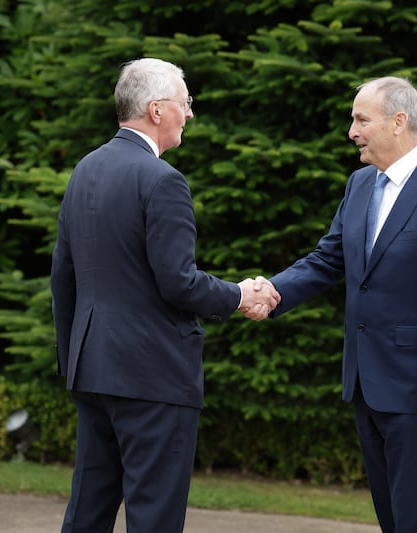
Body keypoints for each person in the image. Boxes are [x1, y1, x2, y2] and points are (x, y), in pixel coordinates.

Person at [50, 57, 279, 533]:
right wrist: (240, 294)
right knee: (154, 516)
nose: (189, 113)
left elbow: (63, 278)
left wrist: (72, 359)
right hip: (152, 376)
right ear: (157, 110)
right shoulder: (163, 180)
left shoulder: (85, 170)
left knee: (87, 512)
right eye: (185, 102)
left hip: (92, 370)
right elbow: (178, 282)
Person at [265, 76, 417, 533]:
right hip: (366, 383)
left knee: (415, 520)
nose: (352, 131)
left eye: (361, 119)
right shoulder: (360, 185)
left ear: (398, 122)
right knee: (390, 518)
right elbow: (327, 259)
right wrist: (271, 292)